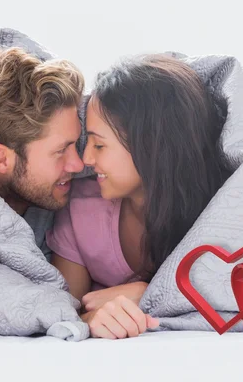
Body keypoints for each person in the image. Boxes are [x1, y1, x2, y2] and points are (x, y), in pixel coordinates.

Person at [46, 54, 231, 339]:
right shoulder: (80, 210)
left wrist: (149, 295)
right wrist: (94, 317)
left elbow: (240, 286)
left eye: (99, 144)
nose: (86, 158)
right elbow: (66, 311)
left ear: (150, 148)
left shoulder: (218, 210)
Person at [0, 46, 86, 257]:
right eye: (61, 150)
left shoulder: (55, 214)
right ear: (2, 158)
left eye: (75, 143)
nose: (79, 164)